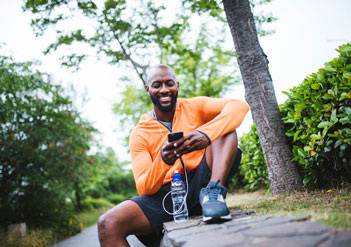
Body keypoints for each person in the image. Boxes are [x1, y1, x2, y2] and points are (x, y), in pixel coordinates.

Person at [98, 64, 249, 246]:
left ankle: (214, 195)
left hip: (204, 180)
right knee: (108, 223)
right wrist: (162, 161)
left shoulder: (196, 106)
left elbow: (238, 106)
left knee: (226, 127)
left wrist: (206, 134)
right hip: (167, 195)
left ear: (177, 86)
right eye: (157, 85)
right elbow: (144, 187)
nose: (164, 90)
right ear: (148, 89)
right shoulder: (139, 134)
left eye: (169, 83)